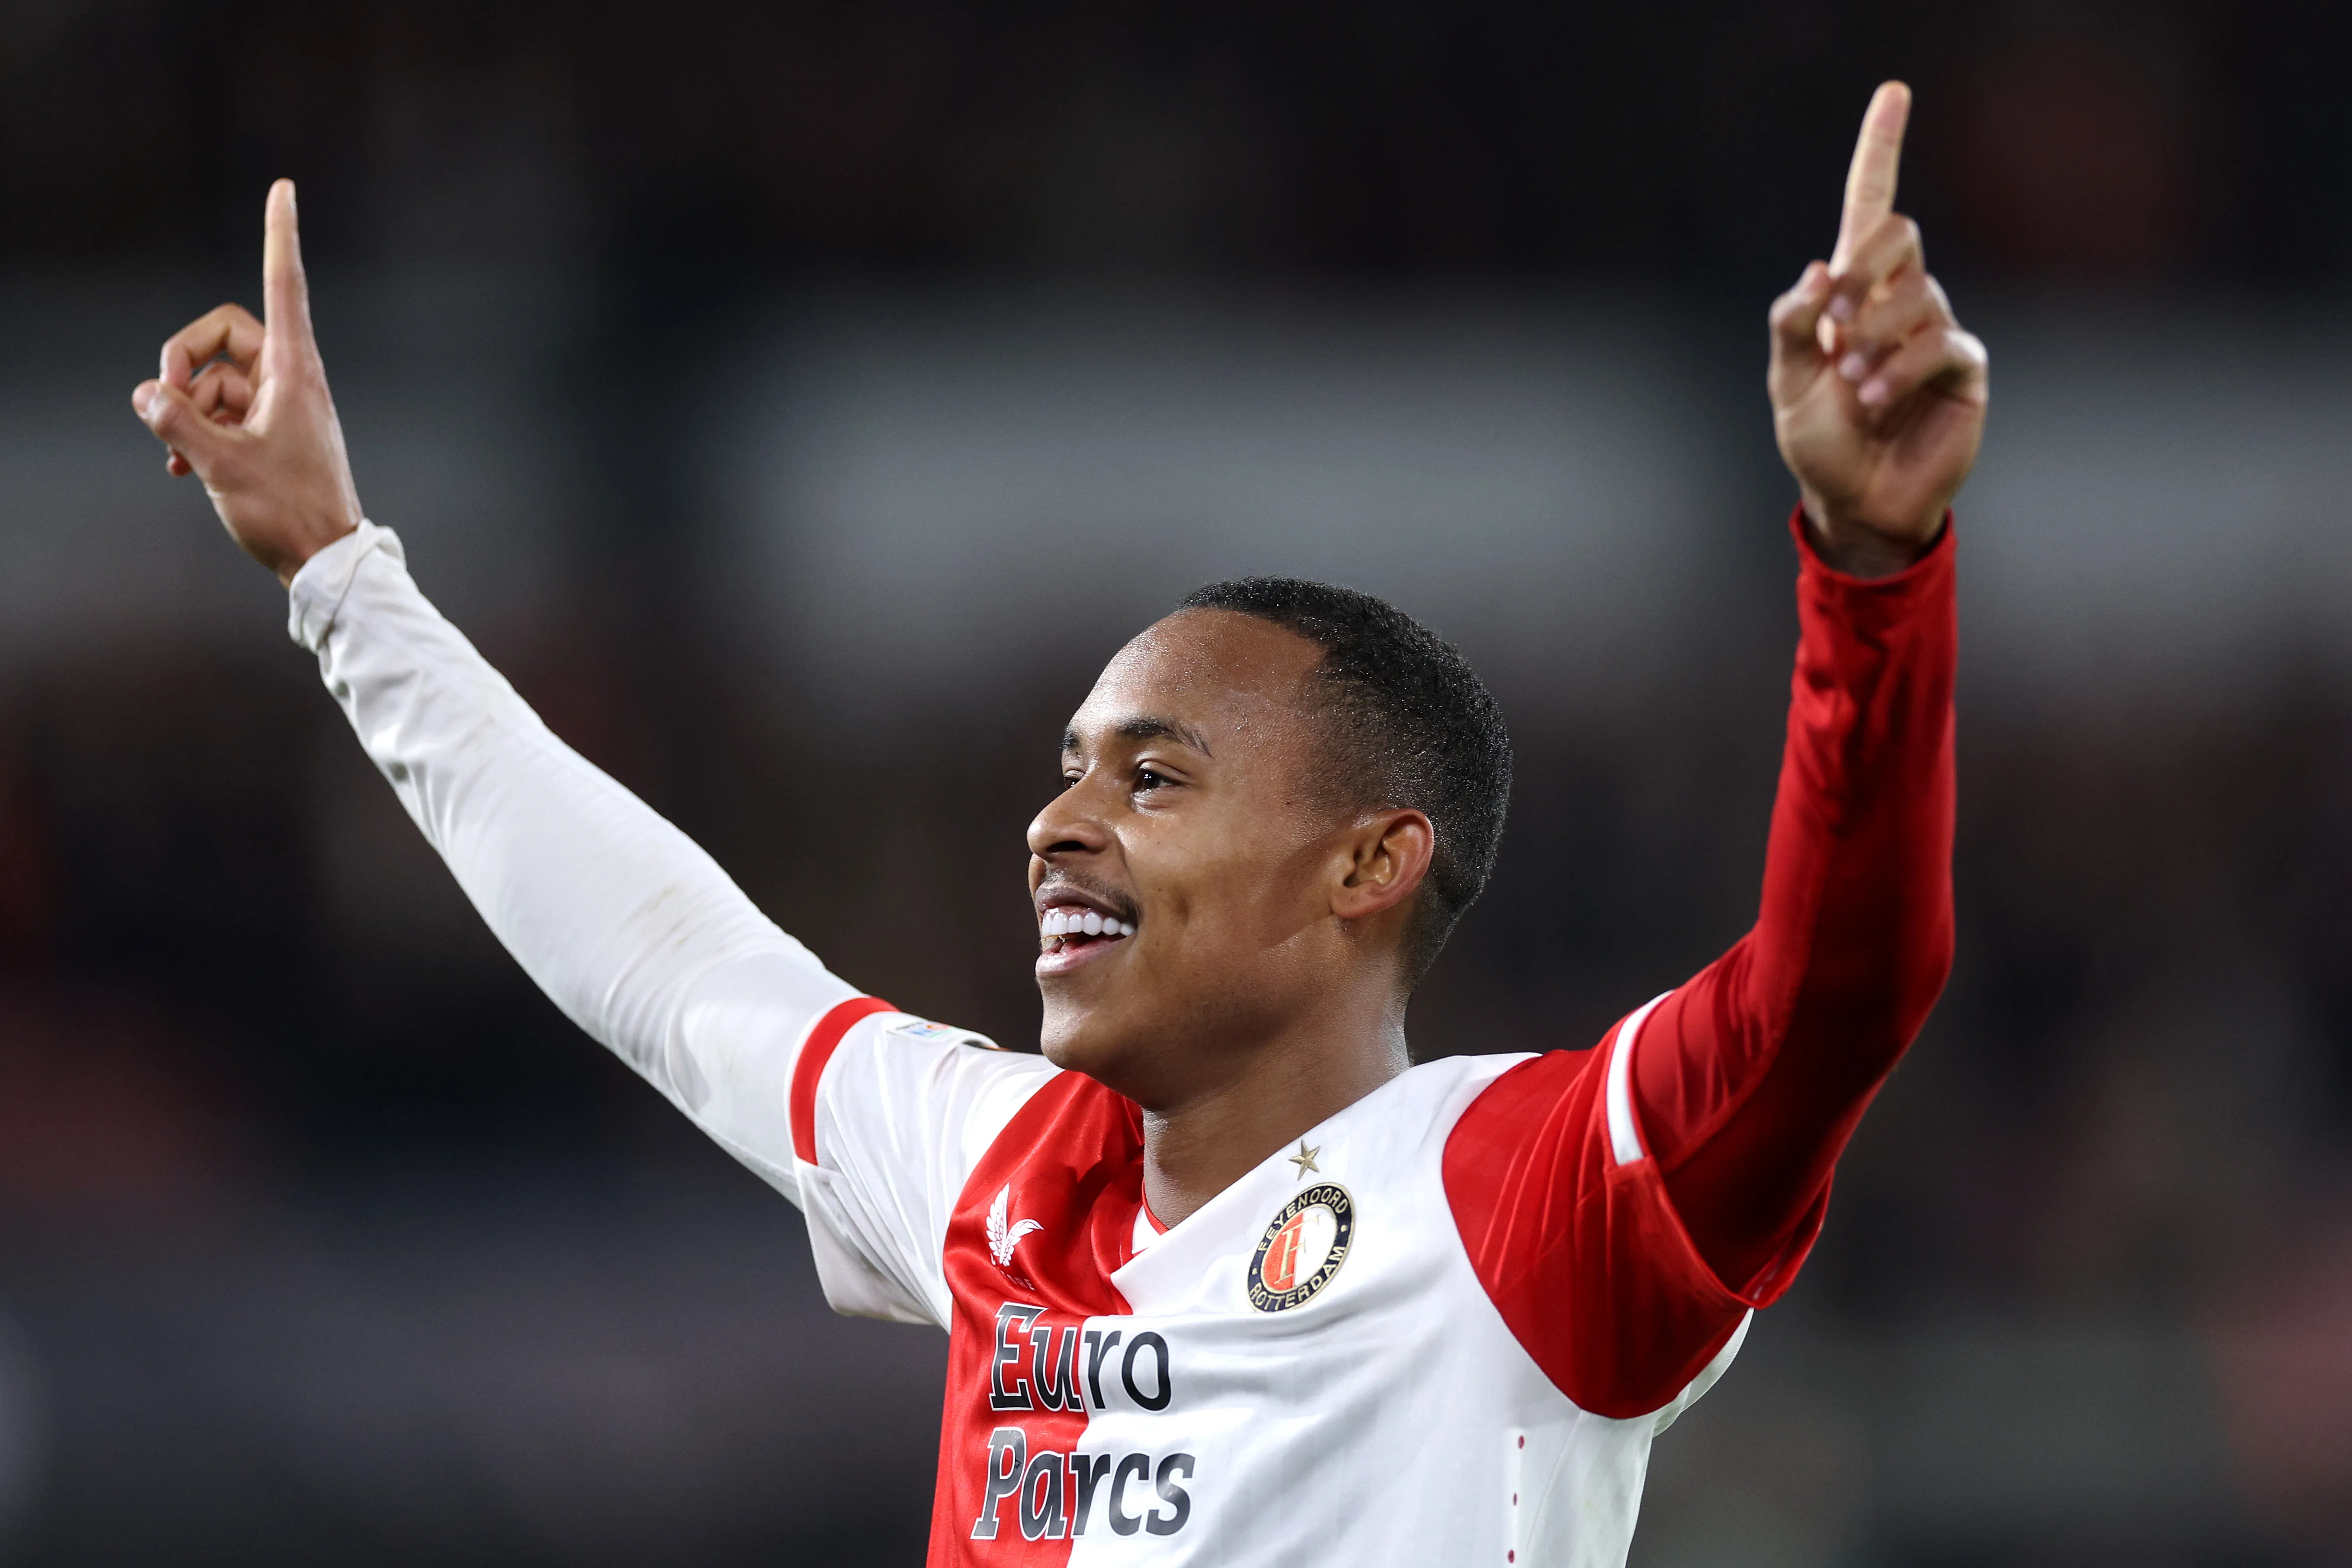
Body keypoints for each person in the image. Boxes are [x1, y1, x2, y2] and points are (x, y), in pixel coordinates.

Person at [130, 80, 1982, 1567]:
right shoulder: (1004, 1172)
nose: (1058, 824)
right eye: (1072, 767)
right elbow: (670, 967)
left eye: (1151, 777)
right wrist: (339, 575)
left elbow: (1837, 993)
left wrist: (1873, 571)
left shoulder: (1524, 1198)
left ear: (1368, 861)